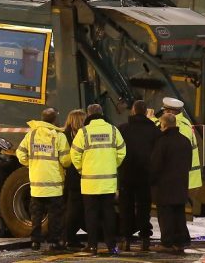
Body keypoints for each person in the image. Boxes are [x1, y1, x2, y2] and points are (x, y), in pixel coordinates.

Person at [71, 104, 126, 256]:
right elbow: (122, 152)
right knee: (109, 214)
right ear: (102, 114)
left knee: (91, 215)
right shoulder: (113, 130)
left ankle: (92, 246)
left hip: (90, 184)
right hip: (108, 183)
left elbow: (74, 155)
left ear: (89, 115)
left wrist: (83, 169)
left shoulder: (84, 132)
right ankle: (111, 246)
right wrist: (112, 165)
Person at [17, 108, 71, 251]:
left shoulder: (31, 135)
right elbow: (66, 161)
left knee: (36, 214)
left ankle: (35, 241)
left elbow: (20, 155)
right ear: (54, 120)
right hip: (54, 184)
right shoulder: (59, 137)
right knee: (55, 215)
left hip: (36, 184)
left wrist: (33, 163)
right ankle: (54, 242)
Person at [117, 100, 161, 251]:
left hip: (126, 175)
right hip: (146, 175)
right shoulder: (154, 131)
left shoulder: (123, 129)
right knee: (144, 208)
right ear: (145, 112)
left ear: (133, 111)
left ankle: (126, 239)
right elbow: (158, 154)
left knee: (125, 208)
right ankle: (145, 239)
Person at [150, 113, 192, 254]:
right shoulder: (185, 141)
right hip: (181, 184)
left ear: (164, 125)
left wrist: (152, 181)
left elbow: (155, 165)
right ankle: (181, 242)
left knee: (165, 215)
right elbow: (189, 164)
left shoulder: (162, 142)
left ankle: (167, 243)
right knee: (179, 214)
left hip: (165, 186)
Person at [156, 97, 202, 191]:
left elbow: (177, 152)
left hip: (183, 177)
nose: (163, 114)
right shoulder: (183, 122)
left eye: (164, 111)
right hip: (181, 176)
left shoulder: (181, 126)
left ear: (170, 112)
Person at [62, 109, 87, 248]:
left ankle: (68, 236)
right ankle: (69, 237)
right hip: (77, 177)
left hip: (68, 176)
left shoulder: (65, 135)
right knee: (75, 209)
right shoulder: (82, 136)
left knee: (71, 208)